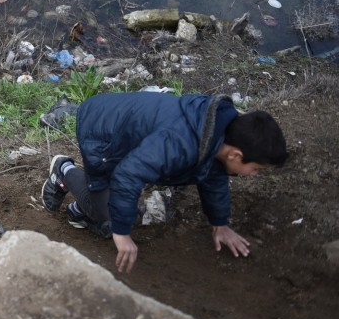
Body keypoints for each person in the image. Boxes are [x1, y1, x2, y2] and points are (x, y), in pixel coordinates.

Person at [40, 91, 287, 274]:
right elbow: (128, 175)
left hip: (129, 131)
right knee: (112, 218)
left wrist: (219, 224)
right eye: (256, 169)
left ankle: (83, 211)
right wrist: (123, 234)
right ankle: (64, 169)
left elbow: (213, 176)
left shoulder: (216, 132)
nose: (254, 174)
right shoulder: (180, 142)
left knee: (119, 204)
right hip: (101, 132)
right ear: (236, 154)